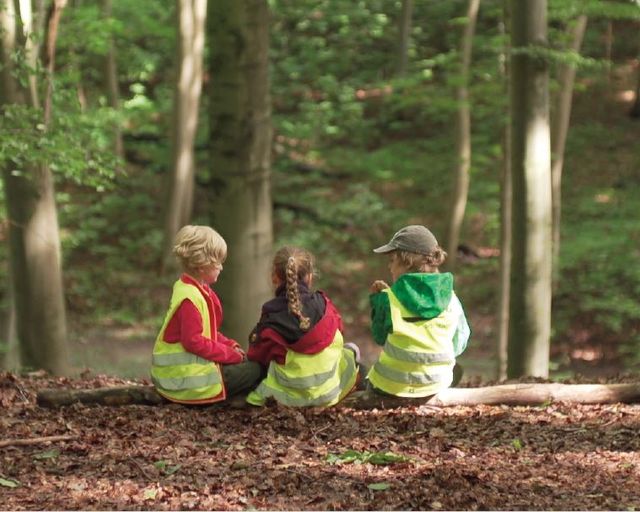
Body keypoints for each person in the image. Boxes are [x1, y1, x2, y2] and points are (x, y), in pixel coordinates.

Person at [150, 225, 261, 404]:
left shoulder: (194, 289)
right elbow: (194, 341)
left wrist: (230, 345)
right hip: (183, 380)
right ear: (203, 266)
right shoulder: (190, 299)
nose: (222, 268)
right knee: (255, 370)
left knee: (247, 364)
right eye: (218, 263)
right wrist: (231, 356)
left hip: (183, 376)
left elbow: (207, 333)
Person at [246, 246, 360, 407]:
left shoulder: (271, 315)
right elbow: (339, 330)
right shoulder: (324, 305)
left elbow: (257, 354)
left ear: (274, 277)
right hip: (328, 393)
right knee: (351, 350)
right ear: (310, 277)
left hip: (286, 400)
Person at [367, 225, 470, 397]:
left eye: (392, 260)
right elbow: (459, 343)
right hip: (435, 385)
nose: (389, 267)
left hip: (391, 388)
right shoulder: (451, 299)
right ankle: (437, 379)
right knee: (451, 369)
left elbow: (380, 338)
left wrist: (379, 303)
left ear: (406, 262)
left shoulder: (389, 299)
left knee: (368, 377)